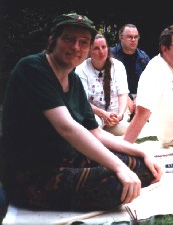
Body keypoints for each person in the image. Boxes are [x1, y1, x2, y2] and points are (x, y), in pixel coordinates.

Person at [1, 13, 162, 211]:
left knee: (146, 169)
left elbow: (95, 133)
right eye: (68, 38)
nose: (76, 47)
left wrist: (141, 151)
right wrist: (119, 167)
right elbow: (66, 127)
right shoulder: (32, 68)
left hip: (68, 159)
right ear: (52, 41)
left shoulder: (73, 80)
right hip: (33, 174)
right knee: (119, 183)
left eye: (83, 42)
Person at [75, 34, 130, 136]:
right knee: (92, 127)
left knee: (125, 130)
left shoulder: (118, 66)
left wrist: (120, 115)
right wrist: (103, 114)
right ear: (89, 51)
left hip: (115, 114)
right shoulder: (81, 69)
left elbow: (123, 94)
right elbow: (83, 101)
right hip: (94, 114)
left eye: (104, 47)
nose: (101, 51)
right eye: (96, 48)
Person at [110, 24, 150, 120]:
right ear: (121, 37)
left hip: (139, 94)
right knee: (123, 116)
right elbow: (107, 80)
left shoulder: (143, 57)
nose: (133, 40)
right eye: (129, 37)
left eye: (136, 37)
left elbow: (150, 81)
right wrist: (126, 97)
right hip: (117, 95)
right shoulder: (111, 55)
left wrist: (139, 97)